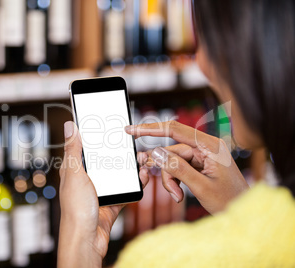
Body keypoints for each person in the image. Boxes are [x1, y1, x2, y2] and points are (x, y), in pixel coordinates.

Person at [58, 1, 295, 267]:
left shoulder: (159, 260)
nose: (202, 62)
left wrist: (79, 240)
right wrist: (241, 209)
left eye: (212, 37)